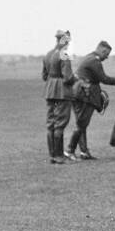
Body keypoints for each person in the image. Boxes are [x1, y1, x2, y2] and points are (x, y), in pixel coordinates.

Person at [67, 40, 115, 160]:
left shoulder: (89, 57)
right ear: (103, 50)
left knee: (81, 123)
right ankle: (69, 150)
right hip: (85, 95)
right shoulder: (94, 61)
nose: (106, 58)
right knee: (81, 124)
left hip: (78, 93)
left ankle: (84, 152)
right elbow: (104, 79)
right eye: (106, 55)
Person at [42, 28, 76, 163]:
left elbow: (44, 76)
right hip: (62, 92)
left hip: (50, 91)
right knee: (60, 124)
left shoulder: (48, 54)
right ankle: (59, 156)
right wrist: (76, 78)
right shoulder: (64, 54)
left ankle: (52, 155)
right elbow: (68, 77)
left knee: (51, 123)